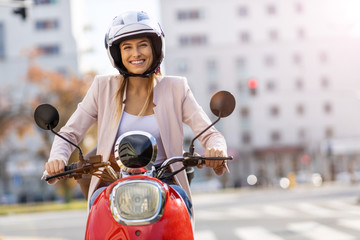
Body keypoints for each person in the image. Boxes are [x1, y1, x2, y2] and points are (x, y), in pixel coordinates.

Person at [43, 11, 228, 219]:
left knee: (181, 209)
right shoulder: (102, 87)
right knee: (98, 216)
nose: (136, 53)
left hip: (165, 179)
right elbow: (70, 133)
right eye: (127, 47)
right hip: (113, 181)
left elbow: (211, 134)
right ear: (117, 54)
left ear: (155, 48)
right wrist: (57, 157)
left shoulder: (176, 88)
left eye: (143, 44)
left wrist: (217, 150)